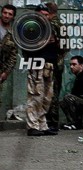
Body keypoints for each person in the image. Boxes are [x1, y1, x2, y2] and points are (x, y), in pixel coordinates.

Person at [23, 3, 58, 136]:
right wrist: (41, 41)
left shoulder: (51, 28)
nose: (45, 17)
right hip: (36, 64)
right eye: (42, 14)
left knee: (47, 97)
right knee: (35, 96)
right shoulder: (31, 28)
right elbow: (26, 46)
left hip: (49, 65)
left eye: (47, 14)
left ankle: (42, 125)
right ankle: (32, 126)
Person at [44, 2, 68, 131]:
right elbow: (67, 46)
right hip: (58, 62)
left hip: (51, 62)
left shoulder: (50, 25)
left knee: (50, 93)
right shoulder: (62, 25)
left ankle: (51, 123)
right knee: (54, 92)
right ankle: (52, 122)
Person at [0, 4, 17, 111]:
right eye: (5, 13)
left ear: (12, 17)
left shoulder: (13, 34)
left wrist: (6, 72)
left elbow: (13, 56)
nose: (6, 16)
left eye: (9, 14)